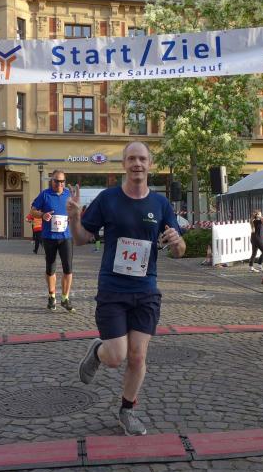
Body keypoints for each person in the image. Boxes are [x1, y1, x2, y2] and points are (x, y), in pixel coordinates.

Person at [69, 141, 185, 436]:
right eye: (131, 158)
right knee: (116, 356)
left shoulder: (160, 204)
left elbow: (180, 250)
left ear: (150, 164)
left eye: (142, 159)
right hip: (113, 288)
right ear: (123, 164)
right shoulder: (108, 199)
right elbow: (81, 239)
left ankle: (127, 409)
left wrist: (177, 242)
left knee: (137, 356)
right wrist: (74, 217)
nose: (137, 164)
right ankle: (98, 352)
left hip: (146, 289)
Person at [30, 170, 75, 312]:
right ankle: (52, 296)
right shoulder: (45, 194)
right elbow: (32, 211)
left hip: (65, 237)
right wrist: (43, 215)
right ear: (52, 181)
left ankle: (65, 298)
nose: (59, 184)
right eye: (56, 181)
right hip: (49, 237)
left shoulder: (69, 194)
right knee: (50, 269)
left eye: (62, 181)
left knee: (68, 269)